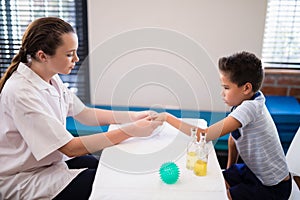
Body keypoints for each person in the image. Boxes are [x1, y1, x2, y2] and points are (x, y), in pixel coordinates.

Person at [0, 17, 162, 200]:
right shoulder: (21, 92)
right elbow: (70, 148)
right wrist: (131, 131)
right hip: (25, 178)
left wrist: (133, 117)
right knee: (112, 183)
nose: (76, 59)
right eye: (69, 54)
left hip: (49, 162)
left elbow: (84, 114)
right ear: (42, 56)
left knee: (112, 166)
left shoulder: (50, 77)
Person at [153, 51, 292, 200]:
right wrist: (230, 170)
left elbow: (203, 135)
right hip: (252, 171)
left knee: (221, 195)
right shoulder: (250, 100)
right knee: (218, 180)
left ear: (246, 88)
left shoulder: (250, 108)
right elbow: (233, 139)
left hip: (273, 187)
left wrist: (167, 118)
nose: (222, 94)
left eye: (226, 88)